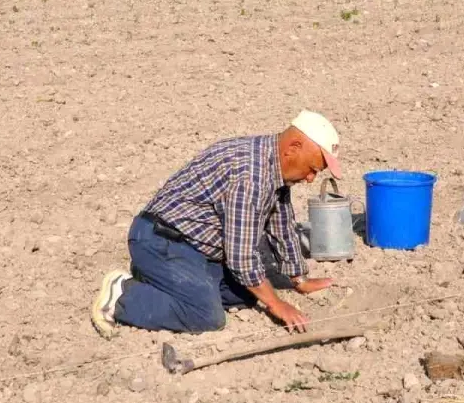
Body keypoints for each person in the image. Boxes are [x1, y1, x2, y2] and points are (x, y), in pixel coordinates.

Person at [91, 111, 343, 337]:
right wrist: (277, 305)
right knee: (207, 316)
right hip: (160, 240)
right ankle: (121, 295)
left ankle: (160, 279)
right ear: (293, 147)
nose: (310, 179)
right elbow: (241, 259)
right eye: (312, 169)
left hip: (192, 247)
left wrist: (298, 279)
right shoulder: (249, 176)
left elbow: (281, 222)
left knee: (244, 293)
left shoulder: (272, 164)